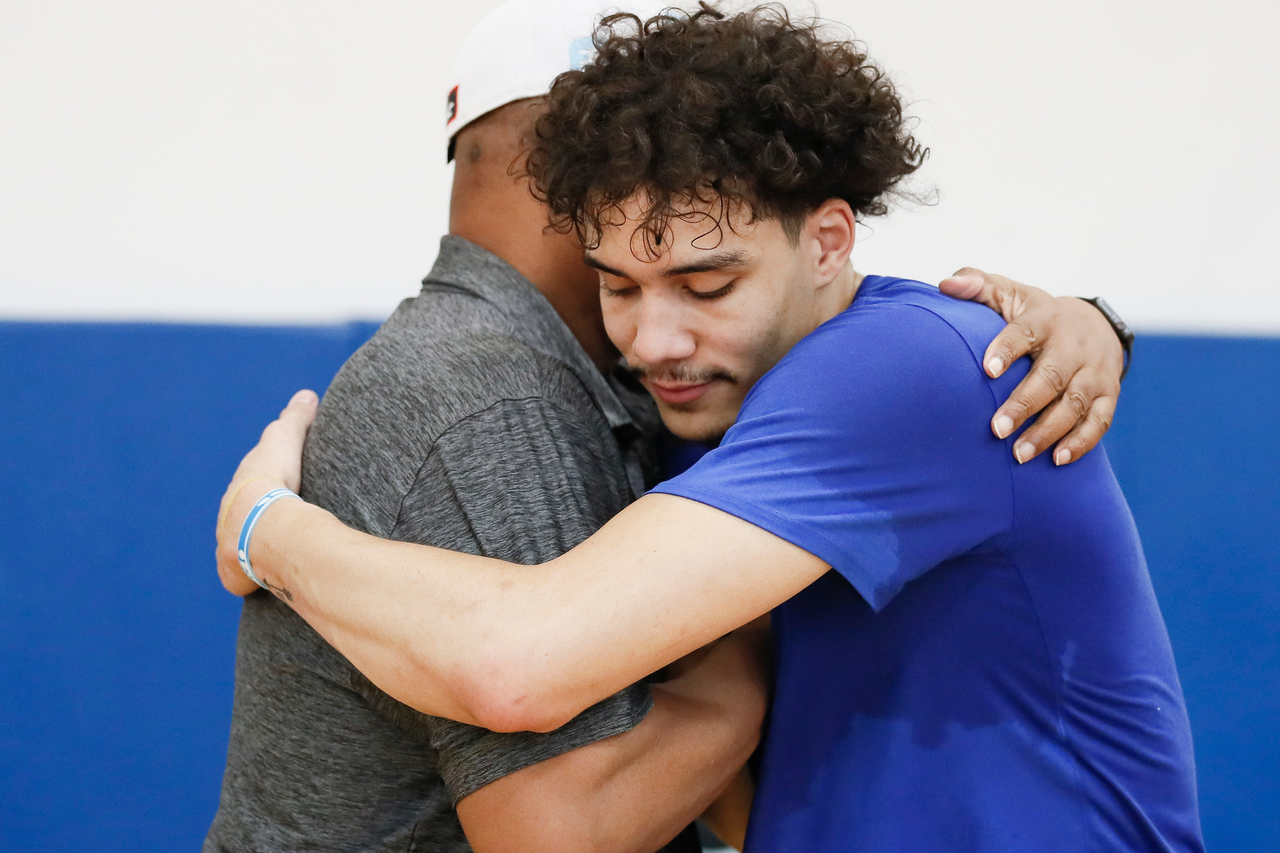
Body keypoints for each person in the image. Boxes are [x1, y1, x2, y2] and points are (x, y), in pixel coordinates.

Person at [209, 3, 1138, 852]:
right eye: (618, 283)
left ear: (828, 240)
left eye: (706, 285)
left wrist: (268, 529)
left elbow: (518, 667)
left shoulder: (901, 368)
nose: (654, 338)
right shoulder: (689, 400)